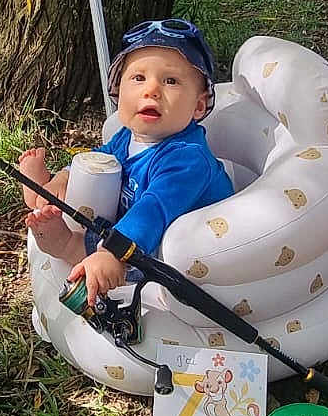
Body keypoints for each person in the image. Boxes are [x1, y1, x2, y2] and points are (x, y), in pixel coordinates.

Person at [19, 18, 234, 307]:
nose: (152, 90)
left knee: (125, 251)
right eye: (138, 78)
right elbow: (99, 158)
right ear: (119, 93)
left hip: (170, 246)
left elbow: (153, 210)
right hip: (127, 225)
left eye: (170, 81)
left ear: (198, 106)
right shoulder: (128, 136)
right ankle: (46, 203)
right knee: (87, 190)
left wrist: (113, 254)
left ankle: (71, 244)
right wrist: (64, 177)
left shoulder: (186, 159)